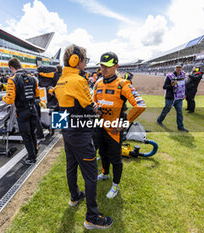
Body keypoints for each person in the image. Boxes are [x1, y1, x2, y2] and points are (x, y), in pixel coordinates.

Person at [52, 44, 113, 230]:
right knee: (90, 175)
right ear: (75, 61)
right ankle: (92, 217)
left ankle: (74, 197)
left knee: (71, 166)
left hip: (67, 131)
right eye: (85, 60)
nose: (86, 63)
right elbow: (90, 108)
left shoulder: (61, 79)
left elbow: (60, 108)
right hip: (80, 133)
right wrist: (97, 111)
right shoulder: (79, 81)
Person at [94, 52, 146, 199]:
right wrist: (95, 109)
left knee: (115, 159)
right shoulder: (97, 83)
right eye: (102, 66)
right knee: (102, 154)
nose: (103, 69)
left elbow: (140, 105)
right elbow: (95, 103)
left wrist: (124, 123)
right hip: (100, 127)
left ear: (116, 66)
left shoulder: (123, 84)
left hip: (114, 132)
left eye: (107, 67)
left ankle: (115, 185)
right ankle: (105, 173)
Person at [0, 58, 39, 165]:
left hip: (22, 111)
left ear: (12, 68)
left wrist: (1, 98)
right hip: (33, 109)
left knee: (26, 135)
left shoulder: (12, 79)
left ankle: (31, 158)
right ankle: (35, 151)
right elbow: (37, 95)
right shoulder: (32, 78)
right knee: (32, 132)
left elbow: (10, 100)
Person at [157, 63, 188, 132]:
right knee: (166, 110)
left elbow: (184, 85)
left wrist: (185, 94)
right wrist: (172, 85)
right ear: (175, 68)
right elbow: (164, 87)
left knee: (180, 112)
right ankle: (159, 120)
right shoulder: (170, 76)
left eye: (180, 67)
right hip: (170, 97)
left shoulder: (183, 75)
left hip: (179, 98)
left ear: (182, 68)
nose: (178, 69)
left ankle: (180, 127)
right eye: (177, 67)